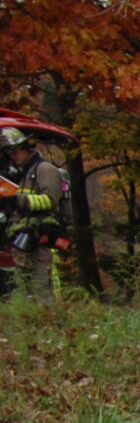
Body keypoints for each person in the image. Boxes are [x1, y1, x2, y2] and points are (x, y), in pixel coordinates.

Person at [0, 127, 72, 301]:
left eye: (16, 152)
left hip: (42, 236)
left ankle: (50, 319)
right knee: (23, 288)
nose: (13, 157)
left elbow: (50, 200)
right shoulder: (21, 174)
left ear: (27, 148)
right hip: (21, 239)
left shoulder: (45, 169)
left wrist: (17, 201)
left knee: (43, 284)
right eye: (10, 154)